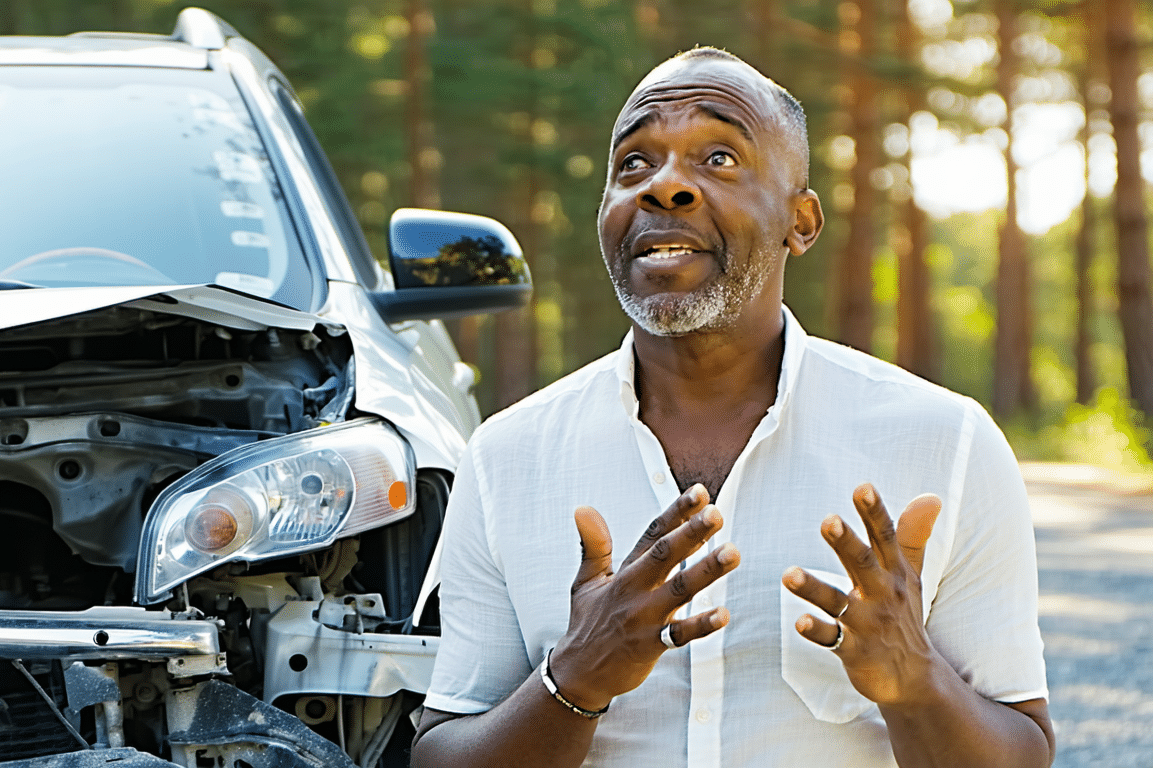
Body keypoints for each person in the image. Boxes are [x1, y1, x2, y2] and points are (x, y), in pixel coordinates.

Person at [409, 46, 1055, 768]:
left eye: (718, 156)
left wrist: (917, 685)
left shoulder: (947, 442)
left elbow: (1021, 753)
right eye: (634, 164)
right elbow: (441, 756)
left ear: (800, 221)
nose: (665, 187)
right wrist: (576, 678)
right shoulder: (505, 458)